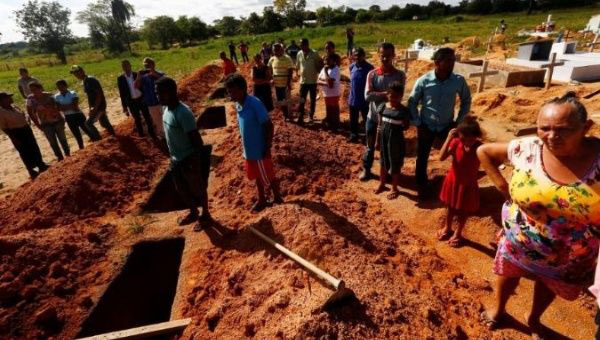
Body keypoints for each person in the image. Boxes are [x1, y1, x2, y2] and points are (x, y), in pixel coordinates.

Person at [477, 92, 600, 339]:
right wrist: (503, 187)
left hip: (569, 255)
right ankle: (499, 309)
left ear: (586, 127)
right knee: (508, 272)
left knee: (548, 283)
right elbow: (484, 152)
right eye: (544, 128)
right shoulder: (527, 148)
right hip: (519, 239)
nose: (552, 136)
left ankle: (534, 318)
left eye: (563, 129)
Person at [408, 47, 471, 198]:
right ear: (437, 62)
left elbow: (466, 100)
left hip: (447, 126)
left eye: (453, 61)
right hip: (426, 126)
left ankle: (457, 184)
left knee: (458, 153)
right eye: (448, 61)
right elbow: (412, 102)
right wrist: (418, 123)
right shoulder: (424, 81)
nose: (452, 64)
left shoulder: (458, 81)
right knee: (422, 156)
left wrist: (458, 122)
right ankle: (421, 185)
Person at [156, 76, 212, 231]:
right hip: (175, 159)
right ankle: (194, 212)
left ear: (170, 92)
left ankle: (206, 215)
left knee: (198, 189)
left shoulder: (183, 113)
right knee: (181, 189)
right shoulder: (166, 109)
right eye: (157, 93)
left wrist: (194, 161)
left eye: (160, 93)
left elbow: (196, 140)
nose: (158, 96)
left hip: (188, 158)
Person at [224, 74, 283, 212]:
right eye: (229, 91)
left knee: (268, 173)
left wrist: (267, 147)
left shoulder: (254, 103)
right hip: (249, 150)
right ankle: (262, 199)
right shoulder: (238, 105)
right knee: (257, 175)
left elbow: (269, 126)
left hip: (260, 148)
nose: (230, 94)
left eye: (233, 91)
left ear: (243, 89)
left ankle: (278, 198)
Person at [360, 42, 405, 182]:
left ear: (393, 56)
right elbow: (367, 96)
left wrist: (377, 93)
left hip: (390, 120)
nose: (385, 59)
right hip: (373, 117)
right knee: (370, 145)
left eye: (388, 56)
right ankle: (367, 169)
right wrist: (387, 94)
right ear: (378, 56)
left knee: (390, 147)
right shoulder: (372, 74)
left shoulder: (399, 75)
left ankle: (389, 172)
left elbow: (400, 95)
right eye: (382, 56)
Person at [437, 117, 483, 247]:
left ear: (476, 136)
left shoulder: (480, 147)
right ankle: (447, 227)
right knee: (450, 207)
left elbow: (494, 160)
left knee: (464, 209)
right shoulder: (456, 143)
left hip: (468, 183)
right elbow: (441, 157)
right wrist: (448, 138)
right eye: (464, 139)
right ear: (459, 135)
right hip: (453, 181)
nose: (468, 142)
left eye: (471, 139)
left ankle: (458, 232)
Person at [374, 81, 410, 200]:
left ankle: (394, 187)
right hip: (384, 139)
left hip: (396, 141)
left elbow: (405, 126)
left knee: (395, 163)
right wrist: (377, 140)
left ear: (401, 96)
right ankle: (382, 183)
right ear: (387, 94)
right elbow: (379, 125)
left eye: (397, 96)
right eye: (391, 95)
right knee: (383, 161)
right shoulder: (383, 107)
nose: (393, 98)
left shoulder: (403, 111)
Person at [0, 92, 48, 179]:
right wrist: (13, 138)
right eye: (8, 98)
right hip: (16, 132)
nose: (11, 98)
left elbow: (23, 115)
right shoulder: (1, 112)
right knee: (24, 151)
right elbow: (4, 128)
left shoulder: (14, 107)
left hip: (26, 129)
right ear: (2, 101)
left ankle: (41, 164)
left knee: (34, 147)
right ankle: (31, 171)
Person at [26, 82, 71, 161]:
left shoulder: (50, 95)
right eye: (31, 90)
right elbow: (30, 112)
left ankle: (68, 154)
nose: (34, 91)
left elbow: (58, 106)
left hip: (57, 120)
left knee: (63, 139)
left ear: (40, 88)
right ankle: (60, 157)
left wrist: (61, 118)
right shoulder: (30, 99)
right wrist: (37, 124)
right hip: (45, 124)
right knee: (52, 142)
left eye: (35, 89)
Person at [70, 65, 115, 139]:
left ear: (82, 71)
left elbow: (99, 94)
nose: (76, 75)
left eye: (77, 72)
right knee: (104, 122)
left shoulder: (91, 80)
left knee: (88, 123)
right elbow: (90, 97)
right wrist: (90, 108)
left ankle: (99, 140)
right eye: (74, 74)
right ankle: (114, 136)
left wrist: (95, 108)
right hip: (96, 106)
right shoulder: (85, 81)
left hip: (99, 106)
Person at [118, 59, 155, 138]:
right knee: (137, 119)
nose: (125, 67)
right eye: (123, 65)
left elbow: (144, 87)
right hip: (131, 102)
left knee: (147, 116)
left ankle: (152, 133)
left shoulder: (137, 75)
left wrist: (146, 97)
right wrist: (124, 107)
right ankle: (141, 135)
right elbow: (122, 94)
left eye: (126, 65)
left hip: (141, 99)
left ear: (130, 66)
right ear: (122, 67)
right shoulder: (120, 79)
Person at [54, 80, 96, 150]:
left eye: (61, 86)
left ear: (66, 86)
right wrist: (69, 106)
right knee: (75, 133)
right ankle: (81, 146)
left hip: (78, 114)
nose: (60, 88)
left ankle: (95, 140)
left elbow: (75, 106)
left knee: (86, 129)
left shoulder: (73, 93)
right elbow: (58, 108)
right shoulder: (57, 96)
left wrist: (63, 107)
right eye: (58, 87)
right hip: (68, 116)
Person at [348, 47, 374, 143]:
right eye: (355, 55)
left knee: (367, 119)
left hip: (365, 100)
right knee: (353, 120)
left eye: (359, 55)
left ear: (364, 56)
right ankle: (353, 135)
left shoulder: (370, 68)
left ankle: (368, 137)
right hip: (353, 99)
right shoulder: (352, 67)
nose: (357, 57)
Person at [135, 58, 165, 139]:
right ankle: (162, 136)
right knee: (157, 121)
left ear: (153, 64)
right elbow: (136, 86)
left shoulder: (159, 73)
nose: (147, 67)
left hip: (162, 101)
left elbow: (164, 79)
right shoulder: (143, 77)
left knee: (165, 119)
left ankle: (169, 133)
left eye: (149, 65)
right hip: (151, 103)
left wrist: (153, 72)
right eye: (145, 65)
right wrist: (138, 76)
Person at [295, 38, 322, 125]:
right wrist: (297, 73)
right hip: (303, 81)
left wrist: (320, 75)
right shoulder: (299, 54)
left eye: (303, 45)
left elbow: (320, 64)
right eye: (300, 45)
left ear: (307, 44)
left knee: (312, 100)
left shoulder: (314, 53)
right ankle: (301, 116)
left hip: (313, 81)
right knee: (302, 100)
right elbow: (298, 65)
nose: (301, 46)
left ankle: (311, 116)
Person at [268, 44, 294, 121]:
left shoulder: (287, 58)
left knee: (286, 100)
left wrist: (288, 83)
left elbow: (290, 71)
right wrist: (270, 78)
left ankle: (289, 115)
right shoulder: (272, 59)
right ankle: (285, 115)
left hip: (285, 84)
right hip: (276, 84)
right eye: (274, 50)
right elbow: (269, 69)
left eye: (276, 50)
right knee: (280, 100)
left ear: (281, 50)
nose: (275, 52)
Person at [317, 53, 341, 131]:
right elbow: (318, 80)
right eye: (325, 60)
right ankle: (330, 124)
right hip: (326, 93)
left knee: (334, 109)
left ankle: (336, 125)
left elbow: (331, 85)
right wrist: (326, 82)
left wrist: (326, 73)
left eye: (328, 59)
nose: (326, 61)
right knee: (328, 109)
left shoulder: (336, 69)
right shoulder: (324, 69)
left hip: (333, 93)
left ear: (333, 60)